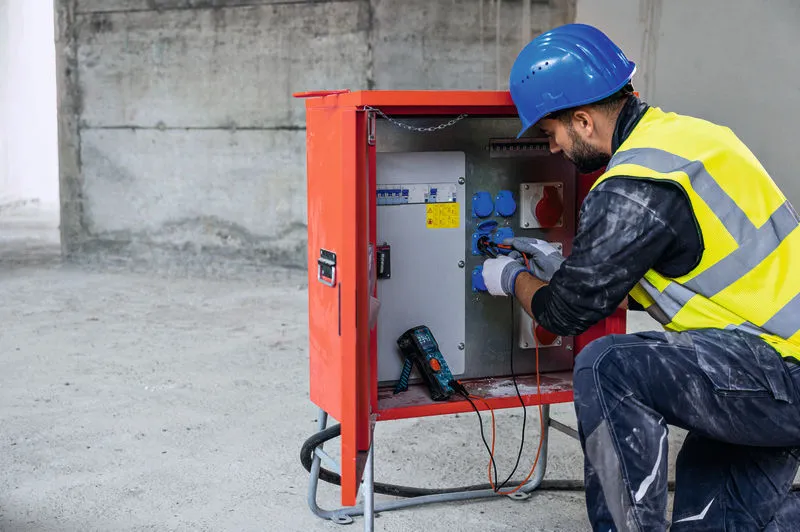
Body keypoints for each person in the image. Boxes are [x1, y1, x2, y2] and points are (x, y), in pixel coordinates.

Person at [481, 23, 800, 531]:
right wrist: (568, 271)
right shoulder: (691, 139)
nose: (556, 150)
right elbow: (693, 275)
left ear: (583, 120)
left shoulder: (633, 183)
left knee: (609, 366)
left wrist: (510, 275)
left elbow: (567, 312)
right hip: (766, 365)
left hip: (778, 373)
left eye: (552, 134)